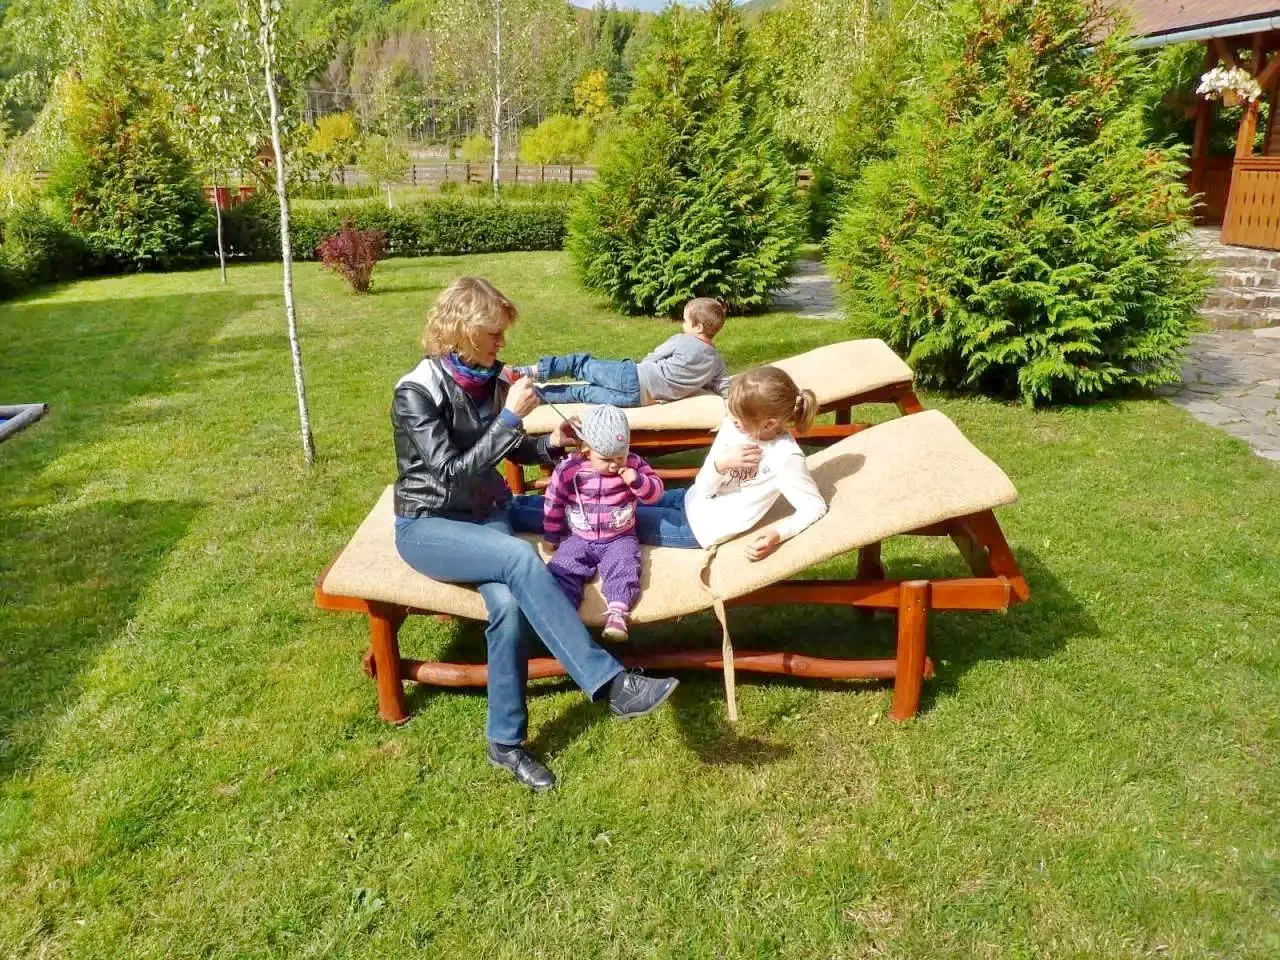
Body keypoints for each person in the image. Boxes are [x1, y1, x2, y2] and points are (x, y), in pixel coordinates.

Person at [392, 277, 679, 793]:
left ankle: (505, 743)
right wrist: (509, 417)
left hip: (486, 516)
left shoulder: (489, 377)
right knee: (518, 558)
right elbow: (451, 473)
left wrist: (551, 443)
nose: (502, 342)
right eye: (494, 333)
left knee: (507, 606)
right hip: (429, 524)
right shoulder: (417, 392)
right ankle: (611, 683)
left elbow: (507, 448)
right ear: (462, 329)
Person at [510, 365, 828, 560]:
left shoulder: (785, 459)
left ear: (770, 424)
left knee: (598, 516)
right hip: (688, 499)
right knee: (603, 497)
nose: (732, 421)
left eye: (740, 420)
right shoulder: (735, 426)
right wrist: (720, 465)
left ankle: (512, 513)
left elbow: (814, 507)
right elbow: (705, 487)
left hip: (697, 529)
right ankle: (515, 502)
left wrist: (777, 533)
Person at [542, 405, 665, 642]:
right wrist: (551, 534)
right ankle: (562, 616)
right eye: (606, 459)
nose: (614, 464)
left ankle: (617, 613)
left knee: (625, 564)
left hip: (620, 537)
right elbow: (553, 501)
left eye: (620, 457)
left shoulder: (634, 464)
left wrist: (638, 481)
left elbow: (656, 493)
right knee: (563, 566)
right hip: (579, 537)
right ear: (586, 449)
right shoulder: (570, 469)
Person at [505, 297, 732, 407]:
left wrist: (639, 369)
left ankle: (525, 373)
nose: (683, 325)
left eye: (685, 321)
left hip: (632, 377)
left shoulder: (682, 341)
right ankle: (532, 397)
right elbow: (724, 388)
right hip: (639, 400)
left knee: (579, 365)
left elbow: (653, 357)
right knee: (580, 393)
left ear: (698, 327)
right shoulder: (717, 362)